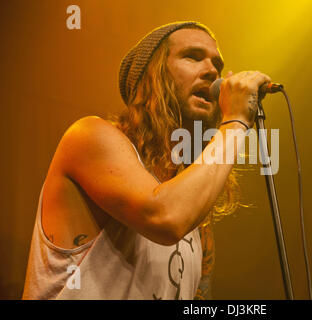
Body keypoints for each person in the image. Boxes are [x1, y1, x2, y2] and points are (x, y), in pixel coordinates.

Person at [22, 21, 271, 300]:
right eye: (192, 56)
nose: (213, 72)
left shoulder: (194, 214)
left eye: (217, 64)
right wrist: (235, 122)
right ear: (153, 75)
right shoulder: (89, 136)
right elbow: (163, 217)